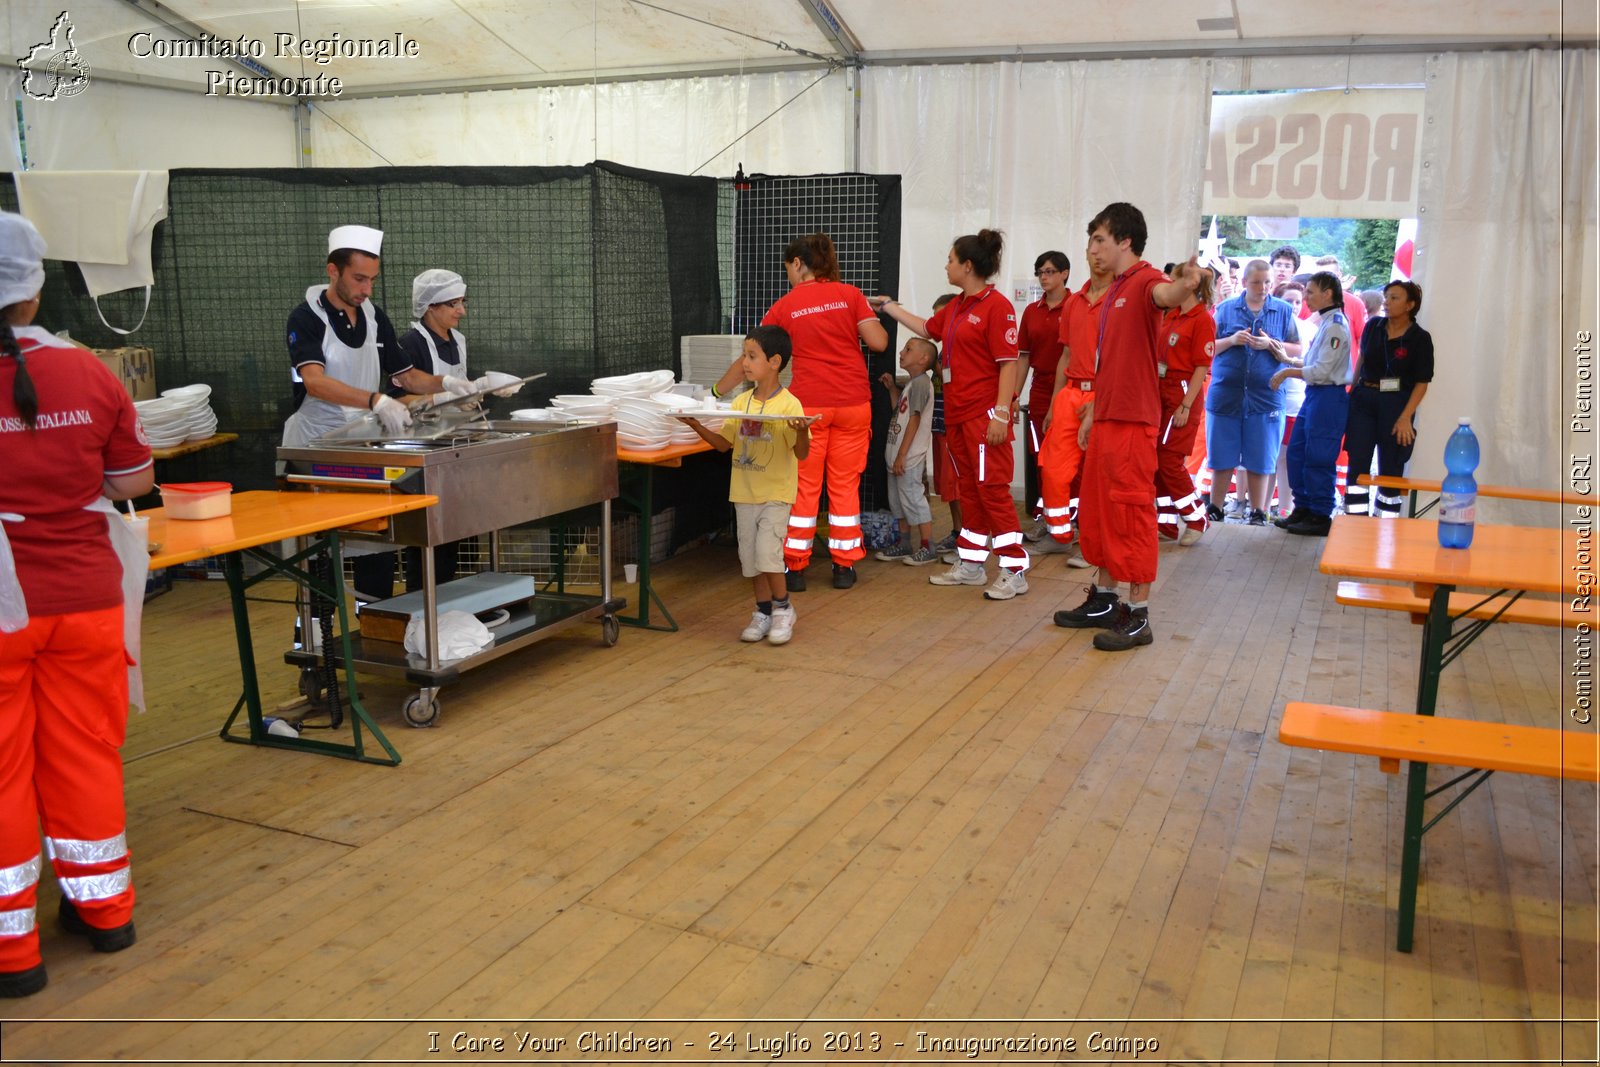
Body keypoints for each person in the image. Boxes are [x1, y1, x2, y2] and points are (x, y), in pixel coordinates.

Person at [0, 212, 150, 998]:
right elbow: (131, 482)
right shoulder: (90, 371)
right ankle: (105, 913)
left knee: (2, 774)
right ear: (33, 288)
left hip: (2, 610)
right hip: (87, 597)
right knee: (87, 753)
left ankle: (12, 953)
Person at [284, 229, 522, 599]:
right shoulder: (307, 317)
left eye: (372, 280)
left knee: (373, 544)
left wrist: (449, 383)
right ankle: (317, 640)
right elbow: (315, 382)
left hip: (361, 444)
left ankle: (376, 627)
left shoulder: (373, 316)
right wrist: (377, 401)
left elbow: (406, 375)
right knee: (320, 554)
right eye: (358, 279)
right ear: (333, 271)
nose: (366, 289)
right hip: (317, 448)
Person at [1052, 203, 1204, 651]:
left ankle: (1138, 616)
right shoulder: (1114, 288)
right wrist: (1094, 411)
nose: (1092, 249)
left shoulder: (1145, 282)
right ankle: (1104, 598)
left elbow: (1167, 295)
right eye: (1091, 240)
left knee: (1131, 514)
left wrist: (1184, 285)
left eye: (1100, 239)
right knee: (1100, 512)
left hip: (1134, 422)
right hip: (1107, 416)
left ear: (1125, 242)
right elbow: (1111, 364)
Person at [716, 234, 887, 592]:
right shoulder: (851, 295)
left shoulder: (785, 305)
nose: (788, 277)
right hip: (854, 404)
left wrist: (718, 391)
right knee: (844, 487)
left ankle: (794, 567)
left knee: (804, 488)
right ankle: (844, 566)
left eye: (788, 270)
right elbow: (879, 343)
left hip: (807, 410)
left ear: (797, 264)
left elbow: (751, 356)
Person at [871, 230, 1028, 601]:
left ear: (968, 266)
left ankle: (1014, 568)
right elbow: (927, 328)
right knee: (970, 492)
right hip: (958, 417)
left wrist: (1001, 414)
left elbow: (1008, 364)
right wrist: (889, 307)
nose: (946, 265)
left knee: (993, 492)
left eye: (951, 260)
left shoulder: (997, 306)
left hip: (984, 417)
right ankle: (972, 564)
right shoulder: (957, 307)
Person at [683, 326, 810, 645]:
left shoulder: (790, 405)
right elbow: (724, 445)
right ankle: (763, 611)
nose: (744, 362)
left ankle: (783, 609)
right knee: (751, 560)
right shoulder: (741, 401)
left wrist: (801, 432)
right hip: (744, 494)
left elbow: (801, 453)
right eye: (743, 355)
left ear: (775, 362)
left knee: (769, 554)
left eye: (751, 356)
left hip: (776, 494)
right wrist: (697, 425)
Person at [1204, 259, 1302, 526]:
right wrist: (1232, 340)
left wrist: (1271, 344)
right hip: (1226, 395)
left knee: (1261, 456)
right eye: (1257, 282)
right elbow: (1206, 347)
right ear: (1245, 282)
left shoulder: (1283, 311)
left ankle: (1259, 511)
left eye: (1268, 282)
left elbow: (1296, 349)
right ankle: (1216, 506)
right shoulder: (1224, 310)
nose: (1263, 287)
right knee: (1222, 454)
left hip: (1266, 398)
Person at [397, 269, 474, 591]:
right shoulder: (409, 344)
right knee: (426, 533)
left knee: (453, 527)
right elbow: (397, 398)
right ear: (430, 307)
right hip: (421, 448)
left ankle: (447, 597)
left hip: (453, 442)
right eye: (453, 304)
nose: (462, 311)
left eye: (462, 302)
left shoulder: (458, 340)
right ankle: (422, 602)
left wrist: (473, 395)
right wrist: (440, 397)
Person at [1034, 238, 1110, 566]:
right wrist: (1054, 403)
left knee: (1097, 474)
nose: (1095, 255)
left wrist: (1099, 402)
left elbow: (1121, 359)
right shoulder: (1075, 303)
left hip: (1103, 394)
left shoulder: (1118, 301)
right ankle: (1060, 534)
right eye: (1090, 249)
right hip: (1069, 394)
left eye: (1101, 248)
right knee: (1052, 468)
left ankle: (1093, 544)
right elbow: (1065, 354)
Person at [1268, 272, 1353, 537]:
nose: (1306, 297)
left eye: (1312, 292)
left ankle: (1320, 513)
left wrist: (1286, 372)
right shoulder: (1325, 322)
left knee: (1318, 455)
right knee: (1297, 452)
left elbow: (1323, 371)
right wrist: (1290, 361)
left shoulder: (1336, 325)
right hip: (1315, 395)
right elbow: (1314, 362)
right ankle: (1302, 507)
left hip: (1328, 396)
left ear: (1328, 293)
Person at [1344, 280, 1434, 518]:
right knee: (1358, 462)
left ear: (1410, 305)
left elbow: (1422, 382)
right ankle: (1354, 521)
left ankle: (1385, 525)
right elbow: (1362, 359)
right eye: (1386, 297)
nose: (1387, 302)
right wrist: (1352, 392)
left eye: (1394, 298)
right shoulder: (1374, 325)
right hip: (1365, 398)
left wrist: (1405, 417)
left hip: (1396, 404)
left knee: (1392, 468)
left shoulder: (1420, 338)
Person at [1153, 266, 1215, 546]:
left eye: (1174, 280)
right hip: (1161, 390)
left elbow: (1202, 366)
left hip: (1181, 393)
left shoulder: (1201, 319)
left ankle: (1196, 516)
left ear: (1189, 285)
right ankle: (1166, 523)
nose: (1169, 286)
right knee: (1157, 461)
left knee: (1170, 460)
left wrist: (1186, 405)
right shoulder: (1172, 316)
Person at [1017, 251, 1070, 541]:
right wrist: (1012, 395)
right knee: (1041, 458)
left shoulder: (1075, 306)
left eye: (1050, 271)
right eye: (1040, 272)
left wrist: (1057, 402)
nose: (1044, 277)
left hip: (1070, 388)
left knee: (1065, 460)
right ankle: (1047, 518)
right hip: (1039, 388)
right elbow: (1023, 357)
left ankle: (1068, 521)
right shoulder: (1032, 311)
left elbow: (1071, 354)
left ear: (1064, 274)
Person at [874, 338, 938, 565]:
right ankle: (904, 543)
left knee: (913, 500)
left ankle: (927, 546)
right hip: (897, 458)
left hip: (907, 459)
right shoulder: (912, 385)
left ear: (923, 359)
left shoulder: (921, 384)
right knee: (898, 502)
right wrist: (893, 389)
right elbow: (899, 414)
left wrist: (902, 454)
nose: (901, 352)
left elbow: (914, 418)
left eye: (908, 349)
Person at [1266, 281, 1317, 519]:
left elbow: (1311, 363)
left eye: (1298, 301)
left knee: (1288, 457)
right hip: (1271, 398)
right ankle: (1262, 506)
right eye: (1288, 301)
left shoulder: (1310, 329)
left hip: (1296, 400)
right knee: (1268, 456)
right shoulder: (1269, 324)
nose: (1294, 306)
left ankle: (1286, 507)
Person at [926, 293, 962, 556]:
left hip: (954, 426)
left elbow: (952, 379)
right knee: (945, 486)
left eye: (942, 315)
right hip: (939, 424)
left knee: (956, 484)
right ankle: (957, 531)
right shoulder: (941, 349)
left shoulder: (956, 347)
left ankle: (965, 533)